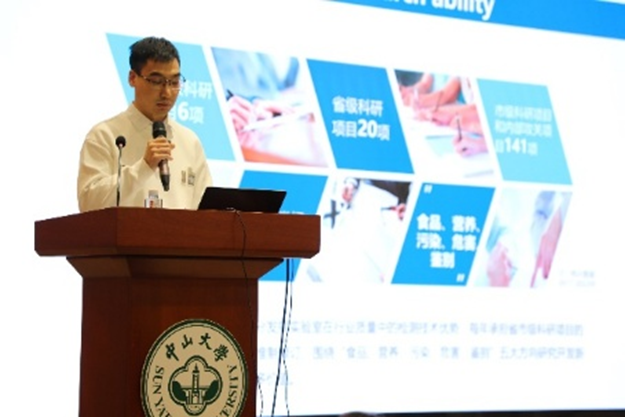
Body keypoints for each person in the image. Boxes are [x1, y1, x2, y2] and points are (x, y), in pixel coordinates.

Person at [77, 36, 212, 212]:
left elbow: (208, 211)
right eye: (156, 81)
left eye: (174, 82)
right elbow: (89, 203)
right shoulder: (104, 135)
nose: (166, 92)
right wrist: (143, 166)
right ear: (132, 78)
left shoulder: (189, 141)